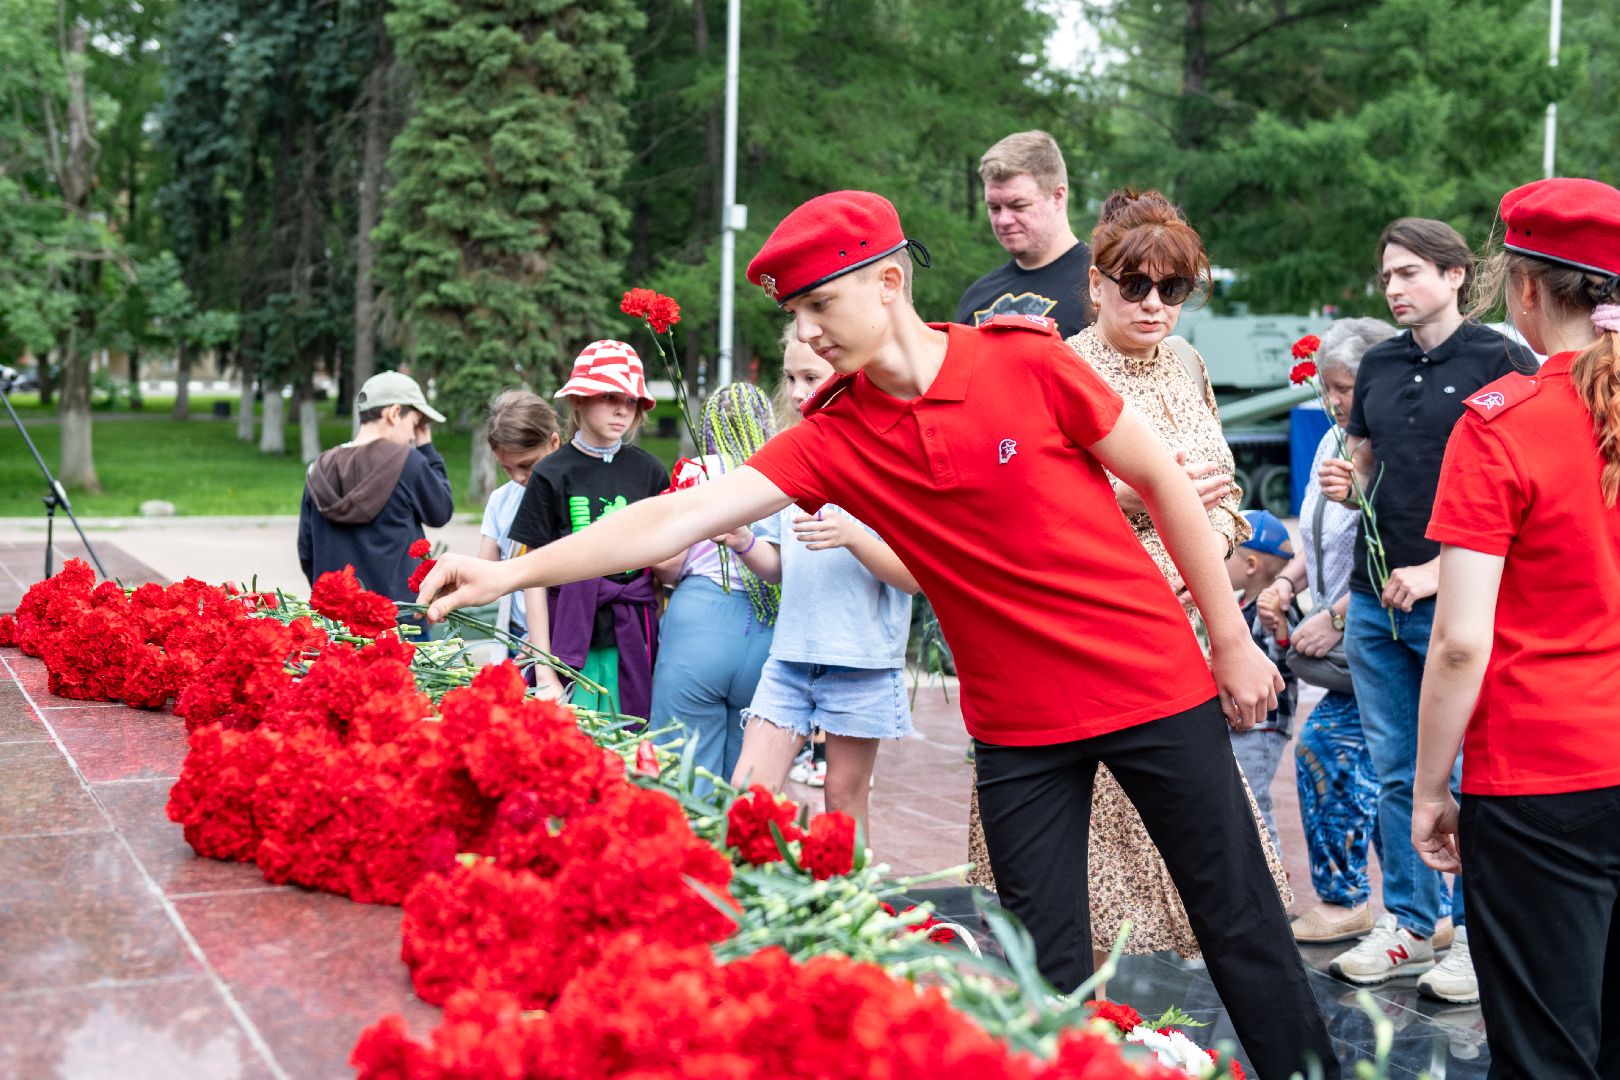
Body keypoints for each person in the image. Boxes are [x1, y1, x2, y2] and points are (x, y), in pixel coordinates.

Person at [416, 191, 1339, 1080]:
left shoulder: (1027, 362)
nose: (807, 330)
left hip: (1149, 684)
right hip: (1020, 731)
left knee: (1240, 922)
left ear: (889, 282)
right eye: (796, 312)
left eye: (820, 304)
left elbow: (1166, 481)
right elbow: (675, 516)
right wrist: (508, 572)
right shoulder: (836, 434)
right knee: (1040, 971)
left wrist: (1230, 640)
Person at [967, 187, 1288, 975]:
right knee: (1080, 883)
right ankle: (1080, 1020)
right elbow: (1018, 519)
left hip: (1189, 631)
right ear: (1096, 283)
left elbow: (1224, 491)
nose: (1154, 305)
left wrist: (1215, 549)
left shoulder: (1187, 364)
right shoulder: (1059, 367)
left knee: (1204, 871)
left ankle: (1160, 1025)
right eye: (1136, 285)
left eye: (1173, 289)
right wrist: (1142, 497)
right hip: (1093, 637)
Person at [1413, 177, 1620, 1079]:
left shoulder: (1503, 426)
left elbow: (1461, 640)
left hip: (1544, 772)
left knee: (1546, 1054)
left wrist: (1429, 788)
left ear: (1526, 288)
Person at [1317, 219, 1536, 999]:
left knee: (1472, 773)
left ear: (1454, 275)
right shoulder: (1377, 362)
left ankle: (1477, 938)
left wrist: (1442, 571)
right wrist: (1347, 483)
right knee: (1395, 772)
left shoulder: (1502, 361)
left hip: (1459, 603)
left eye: (1409, 272)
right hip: (1375, 599)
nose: (1394, 288)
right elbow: (1366, 461)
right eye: (1386, 276)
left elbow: (1519, 488)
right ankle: (1410, 924)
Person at [722, 330, 918, 840]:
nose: (795, 391)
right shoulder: (788, 457)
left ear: (852, 376)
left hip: (862, 663)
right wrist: (743, 541)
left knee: (842, 801)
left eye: (810, 377)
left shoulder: (891, 459)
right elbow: (778, 567)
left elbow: (913, 576)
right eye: (789, 378)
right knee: (747, 793)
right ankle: (757, 886)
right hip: (791, 658)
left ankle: (844, 893)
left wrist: (852, 537)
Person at [1255, 317, 1395, 946]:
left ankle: (1357, 902)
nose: (1334, 400)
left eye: (1345, 388)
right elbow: (1320, 536)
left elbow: (1396, 548)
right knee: (1376, 768)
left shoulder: (1396, 449)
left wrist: (1338, 615)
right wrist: (1287, 584)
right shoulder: (1333, 442)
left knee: (1331, 750)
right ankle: (1417, 911)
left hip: (1380, 632)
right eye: (1330, 387)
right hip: (1346, 631)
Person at [505, 340, 669, 717]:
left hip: (633, 639)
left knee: (630, 735)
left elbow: (661, 575)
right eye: (609, 396)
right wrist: (544, 670)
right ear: (578, 399)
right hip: (568, 636)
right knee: (573, 737)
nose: (622, 409)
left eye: (631, 400)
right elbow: (533, 576)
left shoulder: (649, 472)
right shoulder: (551, 473)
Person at [649, 383, 781, 789]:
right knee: (748, 772)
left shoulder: (697, 472)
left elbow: (667, 563)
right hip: (767, 627)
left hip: (699, 623)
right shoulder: (780, 473)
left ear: (708, 428)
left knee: (682, 764)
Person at [298, 370, 454, 604]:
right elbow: (440, 512)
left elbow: (307, 549)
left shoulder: (320, 467)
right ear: (394, 413)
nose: (413, 436)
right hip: (399, 617)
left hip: (335, 618)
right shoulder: (408, 463)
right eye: (414, 424)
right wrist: (427, 449)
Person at [954, 130, 1093, 338]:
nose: (1003, 220)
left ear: (1057, 196)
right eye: (994, 207)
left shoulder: (1099, 287)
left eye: (1018, 205)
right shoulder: (977, 297)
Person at [1225, 509, 1298, 853]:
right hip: (1247, 723)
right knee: (1240, 799)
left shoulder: (1273, 611)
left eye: (1226, 553)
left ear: (1251, 565)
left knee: (1253, 802)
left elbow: (1285, 660)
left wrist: (1280, 628)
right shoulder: (1242, 605)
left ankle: (1273, 871)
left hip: (1263, 725)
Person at [477, 390, 562, 639]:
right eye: (507, 468)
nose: (518, 477)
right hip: (517, 633)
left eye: (527, 465)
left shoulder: (575, 498)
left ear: (554, 443)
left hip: (564, 633)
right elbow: (486, 570)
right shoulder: (501, 500)